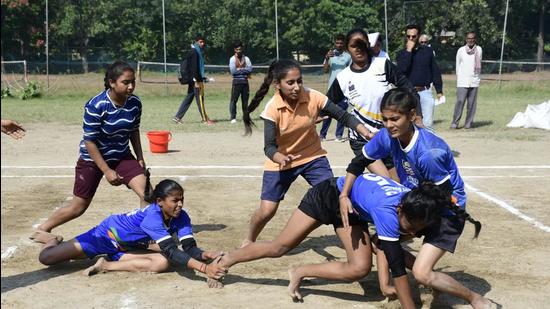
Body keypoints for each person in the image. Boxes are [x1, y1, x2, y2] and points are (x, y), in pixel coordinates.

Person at [214, 174, 474, 308]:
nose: (412, 234)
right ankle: (224, 261)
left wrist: (388, 285)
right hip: (327, 196)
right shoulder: (389, 211)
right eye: (410, 228)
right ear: (400, 212)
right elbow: (395, 262)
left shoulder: (413, 203)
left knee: (359, 269)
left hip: (352, 211)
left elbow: (387, 247)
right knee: (280, 246)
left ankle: (301, 271)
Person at [339, 88, 491, 309]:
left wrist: (414, 224)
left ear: (411, 116)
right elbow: (358, 161)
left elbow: (441, 198)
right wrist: (344, 194)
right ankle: (419, 282)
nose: (389, 124)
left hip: (444, 210)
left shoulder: (429, 153)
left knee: (421, 273)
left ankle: (475, 298)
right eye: (385, 119)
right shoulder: (386, 136)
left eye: (395, 119)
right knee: (381, 241)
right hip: (417, 204)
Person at [240, 59, 384, 247]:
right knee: (267, 210)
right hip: (281, 163)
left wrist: (366, 132)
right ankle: (249, 238)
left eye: (299, 81)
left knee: (333, 196)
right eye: (290, 83)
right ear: (277, 85)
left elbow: (343, 115)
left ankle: (356, 244)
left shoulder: (313, 96)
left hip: (312, 157)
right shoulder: (272, 109)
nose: (296, 86)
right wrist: (280, 157)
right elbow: (268, 147)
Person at [31, 61, 148, 240]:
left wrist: (140, 157)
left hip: (122, 156)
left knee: (147, 192)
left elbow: (134, 130)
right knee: (78, 207)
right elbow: (90, 141)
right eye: (126, 82)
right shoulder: (96, 105)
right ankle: (43, 229)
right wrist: (107, 171)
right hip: (93, 159)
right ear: (112, 82)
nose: (131, 86)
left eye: (133, 82)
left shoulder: (135, 103)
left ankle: (147, 231)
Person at [33, 177, 227, 281]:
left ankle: (105, 265)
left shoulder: (182, 217)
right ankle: (51, 239)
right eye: (175, 200)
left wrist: (205, 254)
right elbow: (172, 249)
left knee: (162, 263)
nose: (180, 205)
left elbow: (189, 248)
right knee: (47, 259)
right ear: (159, 202)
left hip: (126, 247)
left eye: (182, 199)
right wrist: (204, 268)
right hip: (105, 236)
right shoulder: (152, 217)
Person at [326, 28, 419, 182]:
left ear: (368, 44)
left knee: (398, 182)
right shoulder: (343, 78)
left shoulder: (382, 65)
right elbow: (326, 104)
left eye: (361, 44)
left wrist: (418, 116)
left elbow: (408, 88)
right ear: (347, 49)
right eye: (353, 45)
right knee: (386, 181)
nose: (358, 49)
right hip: (362, 138)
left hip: (388, 135)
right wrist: (317, 115)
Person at [397, 24, 443, 131]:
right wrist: (408, 51)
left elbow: (435, 71)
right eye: (408, 36)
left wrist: (439, 91)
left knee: (427, 125)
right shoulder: (401, 54)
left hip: (425, 92)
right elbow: (402, 69)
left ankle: (428, 147)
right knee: (409, 125)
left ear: (419, 36)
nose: (411, 39)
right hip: (408, 93)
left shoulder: (427, 51)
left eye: (414, 36)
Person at [173, 34, 215, 125]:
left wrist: (203, 78)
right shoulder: (195, 52)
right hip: (195, 81)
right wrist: (196, 80)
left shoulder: (195, 51)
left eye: (203, 42)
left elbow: (196, 68)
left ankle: (177, 117)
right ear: (196, 42)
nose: (202, 43)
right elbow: (193, 68)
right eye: (200, 42)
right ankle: (205, 119)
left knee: (189, 98)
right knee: (200, 99)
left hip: (194, 79)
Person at [319, 34, 351, 142]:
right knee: (328, 111)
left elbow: (351, 71)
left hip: (344, 89)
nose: (339, 45)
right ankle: (322, 135)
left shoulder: (348, 56)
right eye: (337, 43)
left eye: (341, 43)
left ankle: (339, 135)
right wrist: (327, 58)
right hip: (331, 88)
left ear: (344, 43)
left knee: (341, 111)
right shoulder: (330, 54)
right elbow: (325, 70)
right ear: (335, 43)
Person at [451, 31, 482, 130]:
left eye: (472, 38)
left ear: (475, 39)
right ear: (466, 39)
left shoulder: (479, 49)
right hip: (462, 81)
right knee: (460, 102)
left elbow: (478, 63)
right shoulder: (461, 50)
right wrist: (459, 77)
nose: (470, 40)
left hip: (474, 80)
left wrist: (476, 77)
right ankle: (455, 123)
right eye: (469, 38)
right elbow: (458, 65)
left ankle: (468, 123)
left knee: (472, 104)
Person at [228, 40, 252, 124]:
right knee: (234, 100)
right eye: (237, 49)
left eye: (240, 49)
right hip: (236, 82)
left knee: (245, 101)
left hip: (245, 82)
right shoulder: (232, 59)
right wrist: (244, 70)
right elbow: (233, 71)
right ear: (234, 50)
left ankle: (246, 117)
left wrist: (240, 69)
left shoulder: (246, 58)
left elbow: (250, 69)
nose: (239, 51)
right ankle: (233, 117)